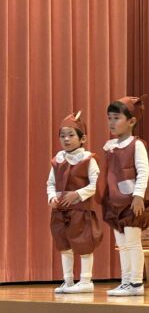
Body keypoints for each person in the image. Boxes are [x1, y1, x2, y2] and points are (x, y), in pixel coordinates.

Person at [96, 96, 149, 296]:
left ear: (131, 121)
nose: (112, 122)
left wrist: (138, 196)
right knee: (122, 244)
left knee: (132, 242)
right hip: (115, 201)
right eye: (109, 118)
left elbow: (143, 171)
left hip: (131, 202)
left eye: (117, 118)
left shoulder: (136, 145)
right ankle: (126, 281)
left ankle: (136, 283)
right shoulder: (110, 146)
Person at [47, 111, 102, 293]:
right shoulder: (58, 160)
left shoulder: (88, 160)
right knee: (64, 244)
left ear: (82, 138)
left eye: (71, 135)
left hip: (80, 210)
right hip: (61, 210)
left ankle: (86, 280)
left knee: (84, 243)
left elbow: (95, 184)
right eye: (62, 135)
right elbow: (51, 183)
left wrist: (77, 194)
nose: (66, 139)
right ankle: (68, 280)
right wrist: (52, 197)